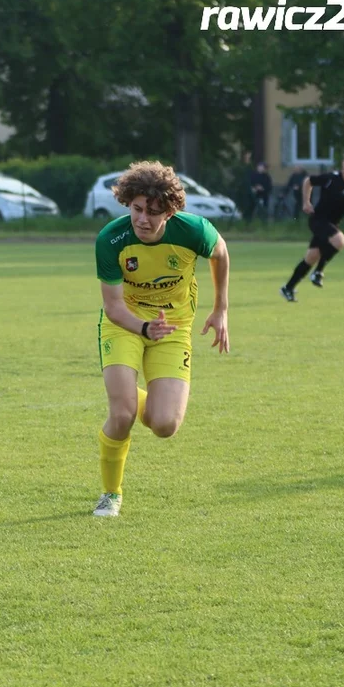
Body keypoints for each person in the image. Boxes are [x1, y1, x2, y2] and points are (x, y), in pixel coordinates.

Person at [92, 161, 231, 517]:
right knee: (121, 415)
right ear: (128, 204)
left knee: (165, 424)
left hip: (174, 326)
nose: (143, 219)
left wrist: (220, 309)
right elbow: (113, 307)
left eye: (154, 213)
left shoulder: (193, 231)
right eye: (137, 209)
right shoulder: (111, 239)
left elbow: (220, 252)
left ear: (170, 212)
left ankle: (135, 396)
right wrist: (142, 327)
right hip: (125, 323)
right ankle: (111, 494)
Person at [280, 151, 344, 301]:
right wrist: (306, 202)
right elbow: (308, 181)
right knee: (340, 240)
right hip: (318, 220)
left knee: (311, 257)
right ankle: (318, 272)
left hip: (332, 224)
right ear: (343, 164)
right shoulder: (331, 178)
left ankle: (288, 288)